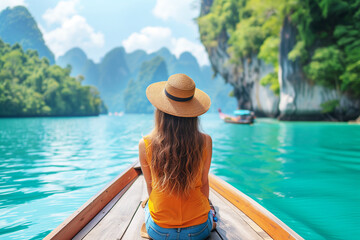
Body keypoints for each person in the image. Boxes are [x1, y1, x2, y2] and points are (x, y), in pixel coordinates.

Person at [139, 73, 215, 240]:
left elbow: (151, 188)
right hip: (198, 231)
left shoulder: (145, 144)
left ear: (160, 111)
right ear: (193, 114)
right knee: (210, 212)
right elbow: (203, 184)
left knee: (146, 205)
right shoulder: (205, 141)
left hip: (160, 232)